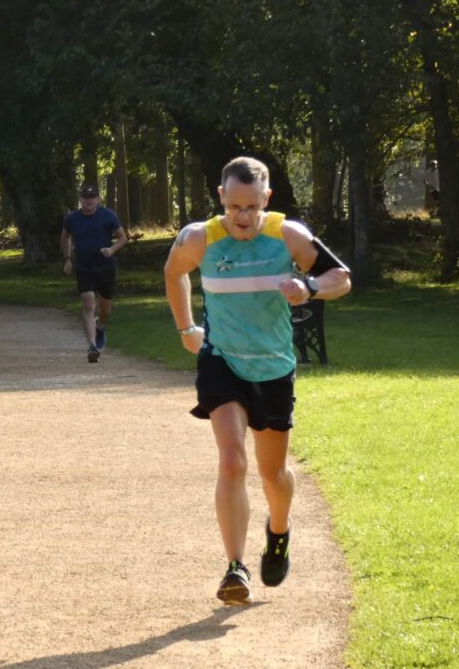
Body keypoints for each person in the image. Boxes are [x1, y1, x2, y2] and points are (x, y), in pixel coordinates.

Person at [163, 156, 351, 605]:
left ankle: (279, 530)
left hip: (273, 368)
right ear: (221, 197)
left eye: (251, 207)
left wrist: (308, 287)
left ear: (266, 200)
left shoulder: (288, 236)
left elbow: (341, 277)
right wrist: (188, 330)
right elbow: (173, 274)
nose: (243, 218)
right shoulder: (199, 239)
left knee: (273, 474)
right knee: (232, 461)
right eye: (234, 207)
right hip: (221, 360)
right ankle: (235, 567)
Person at [60, 183, 127, 363]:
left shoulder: (107, 215)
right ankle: (92, 346)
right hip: (84, 267)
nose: (88, 201)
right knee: (88, 304)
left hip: (105, 267)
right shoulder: (72, 218)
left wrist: (111, 250)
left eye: (92, 197)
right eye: (85, 197)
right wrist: (67, 259)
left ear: (98, 199)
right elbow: (65, 236)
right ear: (80, 199)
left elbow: (122, 237)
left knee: (105, 309)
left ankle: (100, 326)